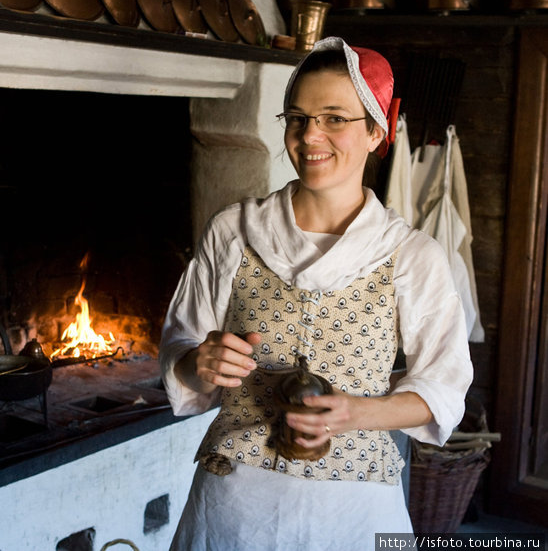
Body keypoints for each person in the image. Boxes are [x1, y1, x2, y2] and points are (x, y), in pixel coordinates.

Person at [159, 36, 473, 551]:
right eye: (298, 117)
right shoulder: (233, 232)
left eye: (334, 118)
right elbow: (181, 350)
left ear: (377, 131)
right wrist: (201, 362)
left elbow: (443, 389)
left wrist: (356, 412)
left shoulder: (412, 256)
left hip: (352, 511)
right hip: (234, 505)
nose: (310, 135)